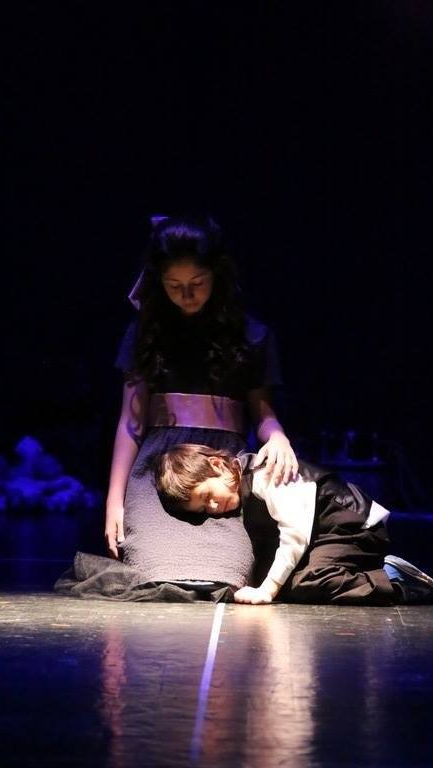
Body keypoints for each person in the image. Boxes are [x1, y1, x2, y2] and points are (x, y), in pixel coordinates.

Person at [102, 215, 297, 588]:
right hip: (160, 467)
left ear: (216, 276)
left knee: (231, 569)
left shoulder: (250, 333)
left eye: (198, 283)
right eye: (174, 286)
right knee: (151, 568)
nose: (186, 295)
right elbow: (130, 422)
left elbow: (262, 412)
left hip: (222, 466)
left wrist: (277, 436)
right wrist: (115, 499)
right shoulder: (145, 333)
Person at [154, 443, 433, 605]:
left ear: (217, 465)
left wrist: (267, 589)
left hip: (353, 526)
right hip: (325, 535)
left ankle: (396, 579)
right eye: (204, 509)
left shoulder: (268, 474)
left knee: (307, 581)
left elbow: (295, 534)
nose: (214, 508)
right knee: (291, 584)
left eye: (207, 496)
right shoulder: (240, 489)